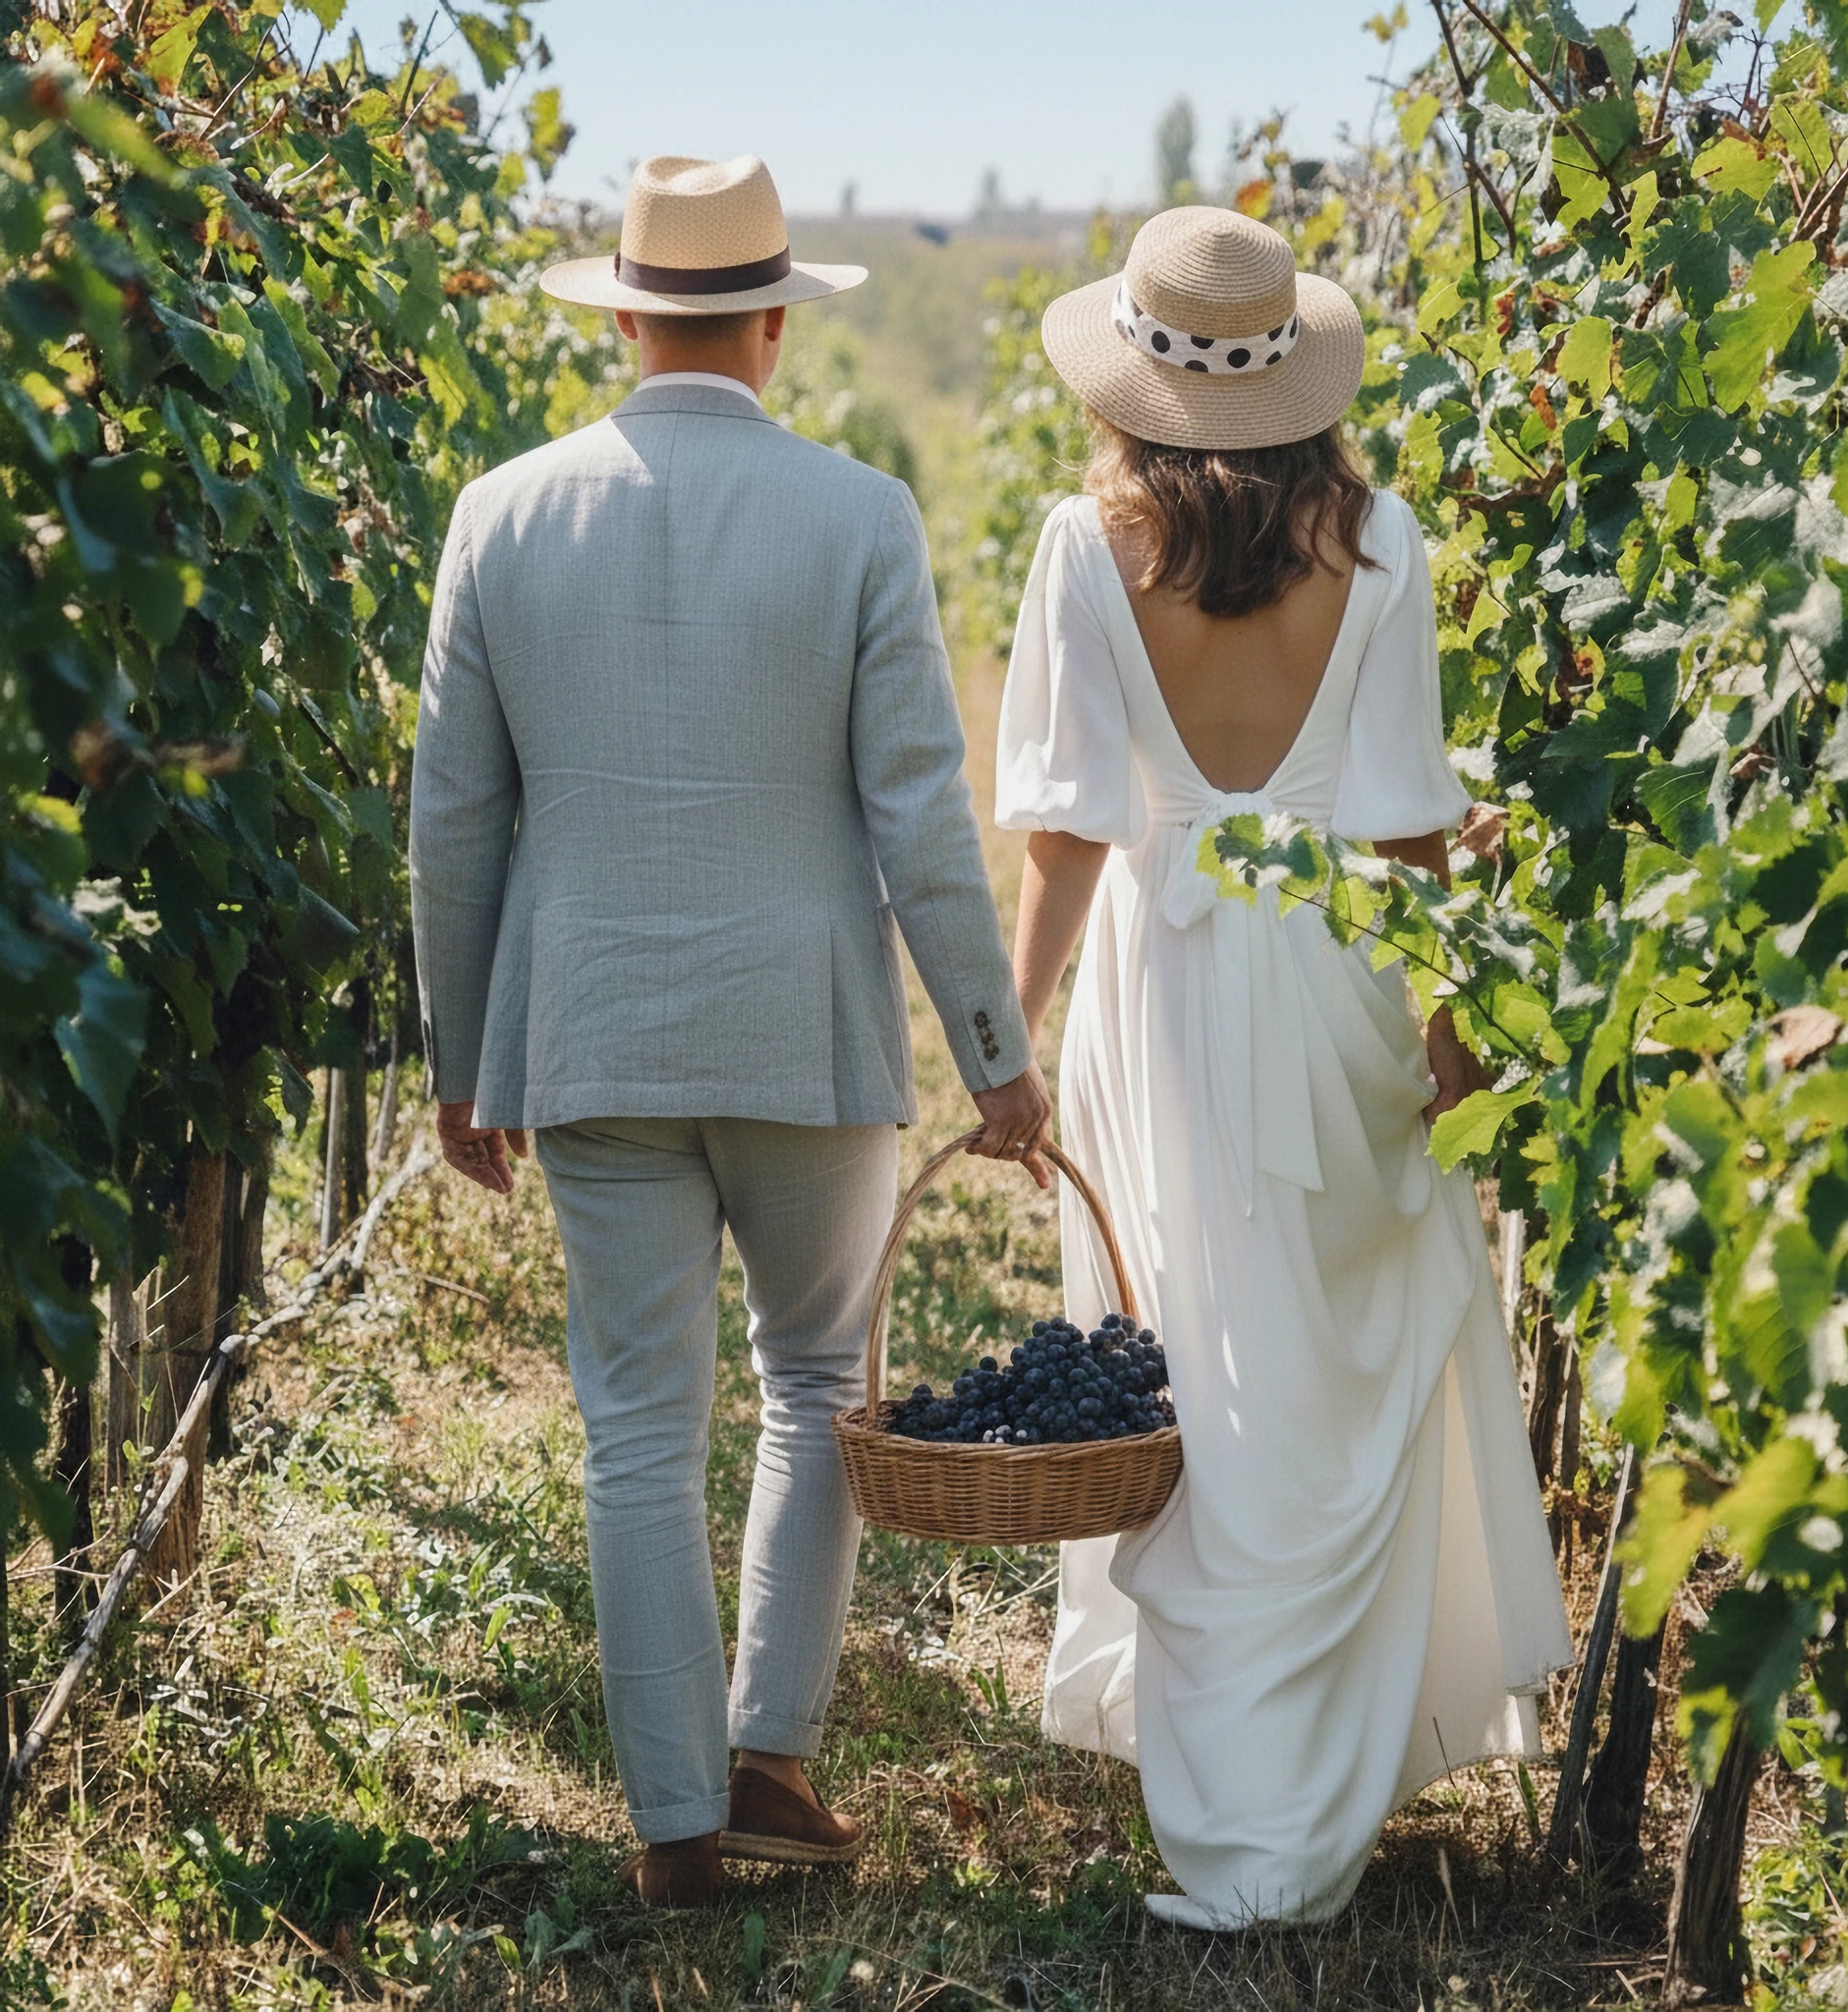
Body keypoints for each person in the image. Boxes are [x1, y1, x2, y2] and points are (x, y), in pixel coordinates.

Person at [409, 153, 1050, 1910]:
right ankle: (775, 1757)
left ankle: (676, 1832)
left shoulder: (498, 516)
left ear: (624, 320)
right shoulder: (862, 516)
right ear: (775, 324)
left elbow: (452, 820)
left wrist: (462, 1061)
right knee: (818, 1386)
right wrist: (993, 1050)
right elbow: (920, 811)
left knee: (635, 1425)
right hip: (805, 1036)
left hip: (589, 1031)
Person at [996, 206, 1573, 1928]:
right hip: (1336, 974)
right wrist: (1450, 1054)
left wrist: (1008, 1042)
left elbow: (1067, 835)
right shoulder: (1380, 543)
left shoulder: (1085, 547)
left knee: (1192, 1357)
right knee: (1330, 1372)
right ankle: (1306, 1810)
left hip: (1163, 988)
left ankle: (1232, 1815)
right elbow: (1410, 835)